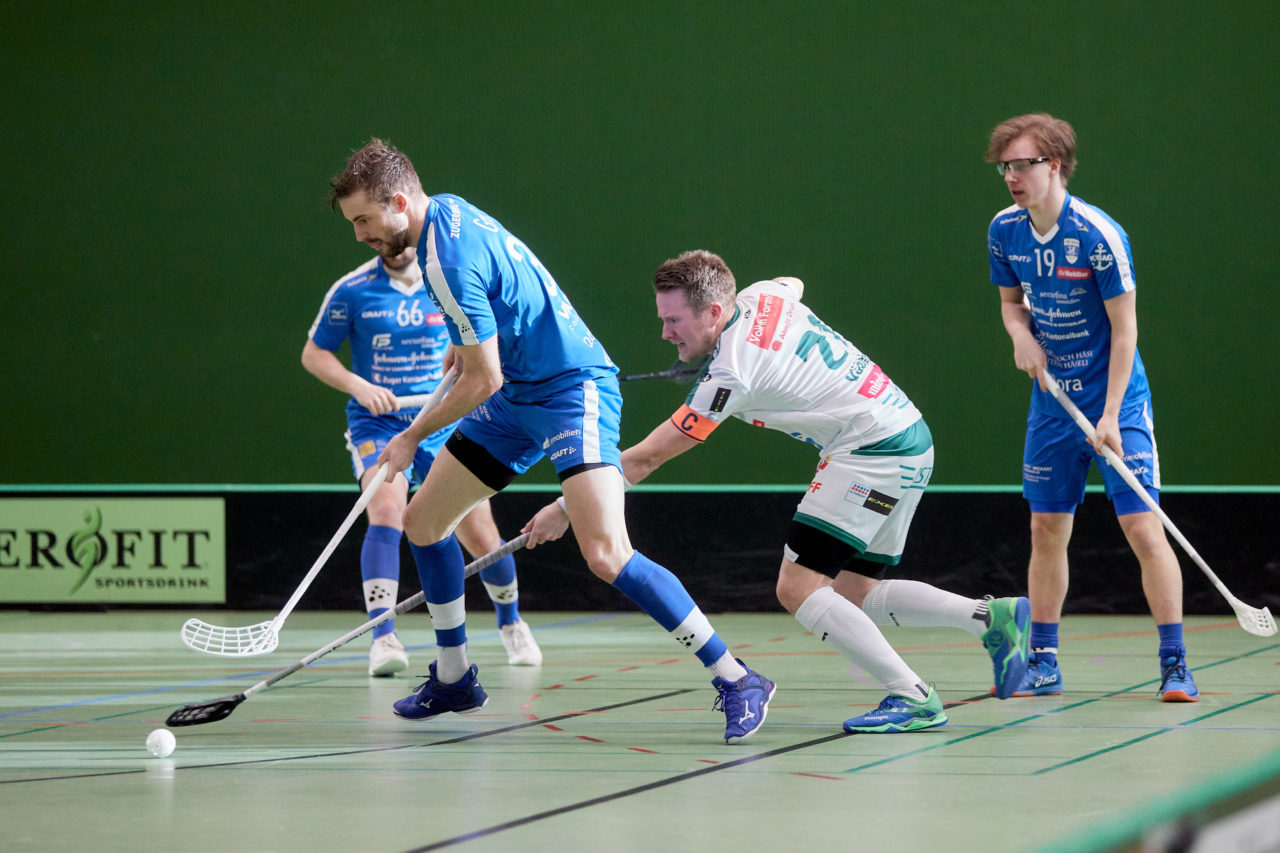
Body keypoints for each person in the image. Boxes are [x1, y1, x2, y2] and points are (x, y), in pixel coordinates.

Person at [328, 139, 775, 743]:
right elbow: (482, 351)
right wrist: (458, 362)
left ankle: (736, 677)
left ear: (399, 202)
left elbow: (481, 377)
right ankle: (456, 675)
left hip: (571, 391)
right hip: (514, 394)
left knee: (606, 554)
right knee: (424, 522)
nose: (359, 234)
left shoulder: (443, 262)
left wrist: (410, 437)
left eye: (363, 219)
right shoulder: (448, 214)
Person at [528, 250, 1032, 734]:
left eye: (675, 321)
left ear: (715, 311)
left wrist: (564, 508)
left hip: (870, 452)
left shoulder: (730, 374)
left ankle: (912, 696)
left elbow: (645, 458)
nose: (664, 332)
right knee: (853, 591)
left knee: (798, 588)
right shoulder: (763, 297)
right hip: (910, 437)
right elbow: (791, 283)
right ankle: (990, 616)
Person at [985, 112, 1197, 701]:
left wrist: (1109, 415)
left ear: (1053, 165)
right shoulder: (1005, 231)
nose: (1011, 177)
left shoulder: (1099, 235)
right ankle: (1045, 658)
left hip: (1116, 399)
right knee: (1046, 526)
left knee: (1140, 526)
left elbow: (1125, 332)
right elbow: (1011, 304)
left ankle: (1175, 663)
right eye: (1005, 167)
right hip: (1053, 402)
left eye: (1022, 165)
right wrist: (1019, 334)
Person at [302, 244, 542, 675]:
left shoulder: (447, 284)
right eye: (377, 241)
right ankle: (383, 638)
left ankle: (512, 624)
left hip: (441, 421)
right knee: (388, 510)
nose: (391, 248)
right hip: (378, 425)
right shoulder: (353, 289)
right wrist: (359, 386)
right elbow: (314, 353)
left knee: (480, 532)